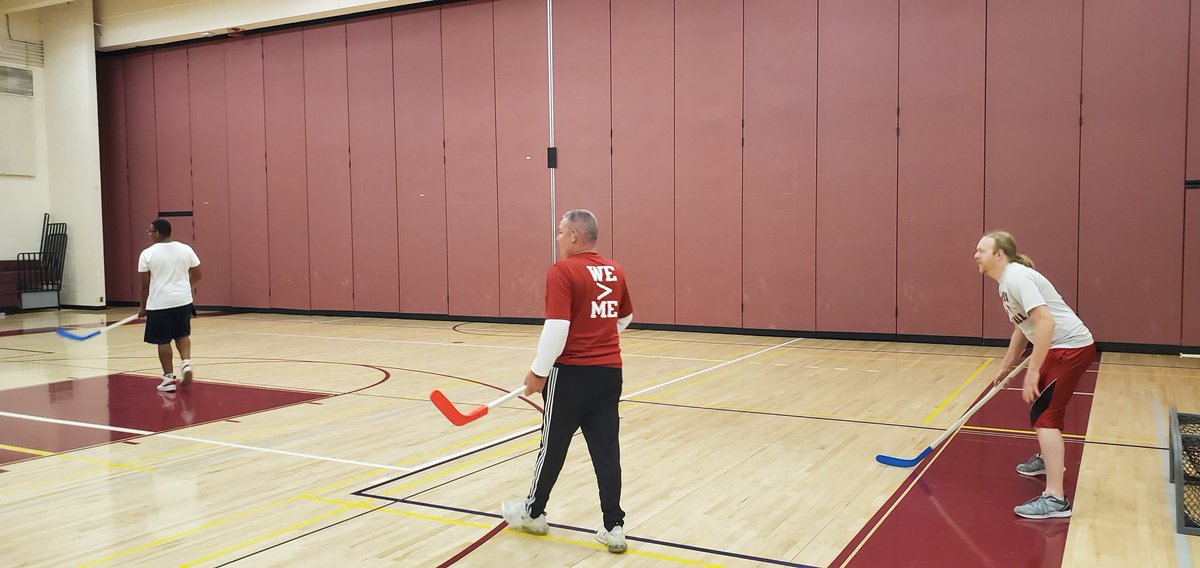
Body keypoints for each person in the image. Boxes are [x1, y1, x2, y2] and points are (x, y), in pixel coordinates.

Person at [501, 209, 634, 553]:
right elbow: (626, 318)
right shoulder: (614, 270)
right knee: (607, 451)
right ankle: (614, 526)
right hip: (609, 373)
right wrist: (597, 335)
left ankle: (532, 512)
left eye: (561, 232)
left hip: (571, 374)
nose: (558, 238)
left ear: (575, 235)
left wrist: (538, 372)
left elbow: (557, 327)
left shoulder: (563, 271)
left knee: (553, 446)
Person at [974, 230, 1095, 519]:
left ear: (999, 255)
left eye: (981, 250)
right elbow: (1022, 326)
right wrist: (1007, 364)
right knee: (1043, 409)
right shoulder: (1005, 283)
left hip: (1069, 348)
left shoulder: (1017, 277)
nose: (975, 255)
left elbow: (1046, 323)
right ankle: (1045, 460)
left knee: (1045, 416)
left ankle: (1055, 499)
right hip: (1059, 347)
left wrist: (1033, 370)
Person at [137, 219, 202, 393]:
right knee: (182, 334)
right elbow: (198, 273)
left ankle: (168, 378)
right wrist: (185, 287)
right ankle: (186, 363)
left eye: (150, 231)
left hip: (159, 303)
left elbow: (144, 286)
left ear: (158, 233)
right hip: (183, 300)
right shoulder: (185, 249)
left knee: (163, 340)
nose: (149, 234)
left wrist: (142, 307)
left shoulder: (147, 254)